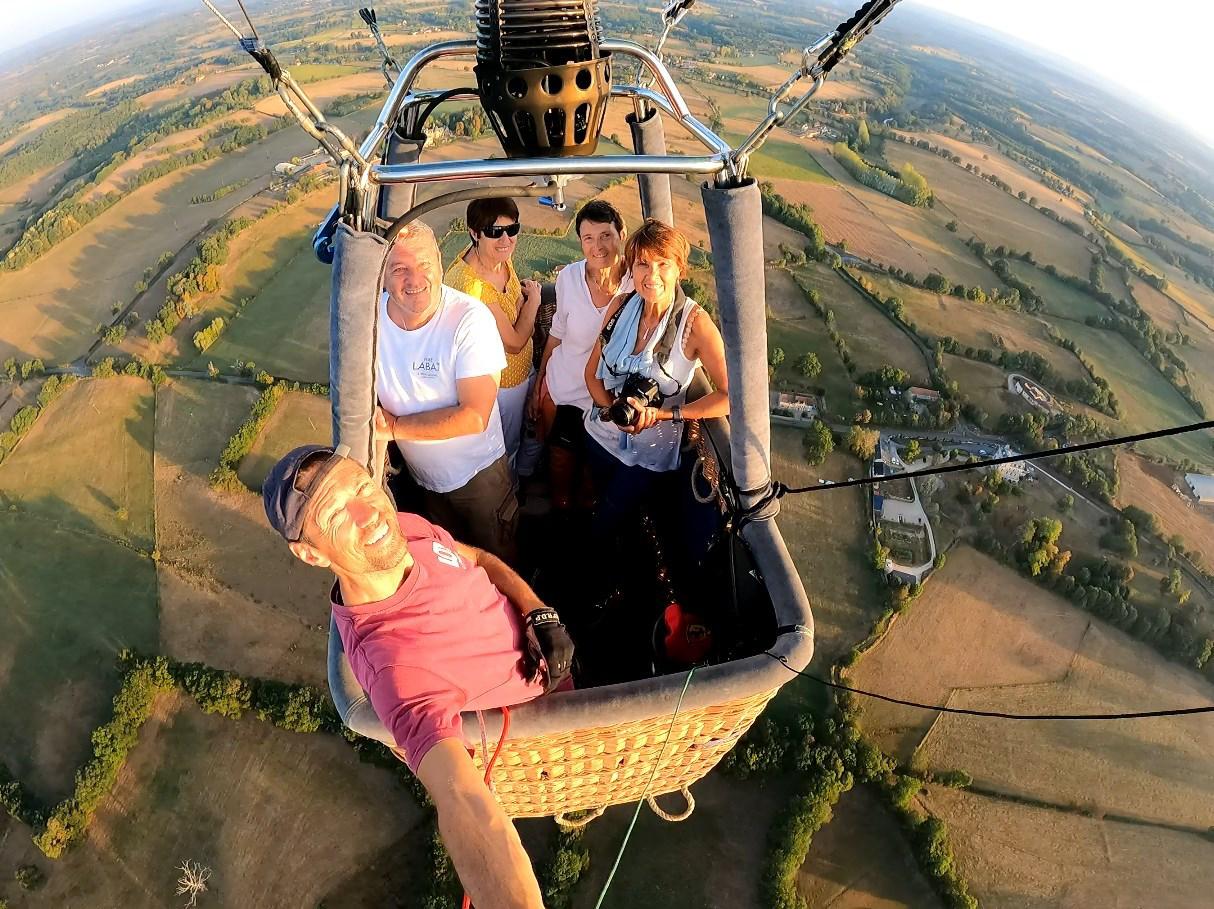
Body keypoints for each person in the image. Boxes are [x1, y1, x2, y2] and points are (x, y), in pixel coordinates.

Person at [263, 444, 574, 909]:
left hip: (547, 649)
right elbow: (462, 800)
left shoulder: (403, 529)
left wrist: (536, 611)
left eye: (362, 488)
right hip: (545, 707)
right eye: (336, 514)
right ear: (310, 554)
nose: (368, 513)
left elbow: (478, 560)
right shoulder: (393, 667)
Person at [376, 219, 518, 562]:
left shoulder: (469, 319)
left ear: (440, 263)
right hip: (423, 478)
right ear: (381, 276)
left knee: (495, 558)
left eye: (424, 264)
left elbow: (473, 417)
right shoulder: (371, 321)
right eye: (399, 269)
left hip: (477, 477)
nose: (415, 280)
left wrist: (393, 428)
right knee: (448, 558)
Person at [582, 218, 730, 544]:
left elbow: (729, 396)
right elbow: (591, 374)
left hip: (646, 455)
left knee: (608, 521)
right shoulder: (620, 306)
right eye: (642, 264)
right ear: (631, 268)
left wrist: (665, 414)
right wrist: (614, 412)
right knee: (599, 502)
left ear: (680, 269)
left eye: (663, 264)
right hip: (600, 433)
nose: (652, 276)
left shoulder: (695, 324)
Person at [530, 199, 632, 512]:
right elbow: (557, 333)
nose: (597, 246)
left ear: (621, 234)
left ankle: (585, 521)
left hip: (607, 397)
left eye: (605, 236)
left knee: (592, 474)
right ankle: (561, 518)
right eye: (588, 238)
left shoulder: (637, 284)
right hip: (566, 389)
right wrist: (540, 383)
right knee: (560, 461)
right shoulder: (569, 278)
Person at [444, 198, 542, 477]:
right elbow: (514, 342)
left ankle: (525, 474)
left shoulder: (498, 258)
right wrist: (534, 301)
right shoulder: (472, 286)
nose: (506, 239)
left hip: (523, 370)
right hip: (503, 382)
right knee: (507, 444)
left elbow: (515, 302)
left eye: (512, 229)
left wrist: (523, 313)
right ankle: (510, 490)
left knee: (534, 425)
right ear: (474, 233)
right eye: (494, 232)